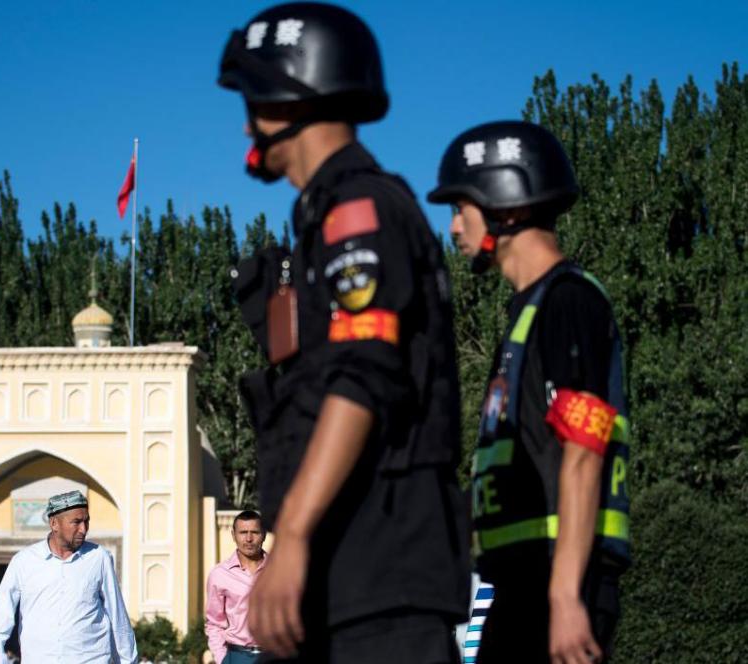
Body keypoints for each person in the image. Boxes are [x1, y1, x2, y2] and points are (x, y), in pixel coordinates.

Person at [219, 3, 470, 661]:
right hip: (343, 579)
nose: (246, 120)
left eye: (253, 96)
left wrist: (293, 535)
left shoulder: (357, 207)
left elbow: (365, 372)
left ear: (286, 96)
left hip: (381, 578)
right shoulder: (325, 219)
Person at [427, 120, 631, 663]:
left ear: (507, 208)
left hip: (559, 582)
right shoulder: (525, 315)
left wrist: (565, 597)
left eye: (460, 209)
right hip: (519, 583)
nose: (452, 228)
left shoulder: (568, 302)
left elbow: (583, 449)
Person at [0, 490, 137, 663]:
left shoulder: (98, 557)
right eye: (76, 522)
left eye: (86, 521)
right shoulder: (24, 562)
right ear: (54, 523)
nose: (83, 529)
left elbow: (118, 617)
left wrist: (128, 660)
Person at [205, 510, 267, 663]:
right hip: (237, 656)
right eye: (243, 532)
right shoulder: (220, 574)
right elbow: (214, 623)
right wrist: (222, 658)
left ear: (264, 535)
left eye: (255, 532)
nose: (249, 538)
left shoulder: (280, 570)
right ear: (233, 535)